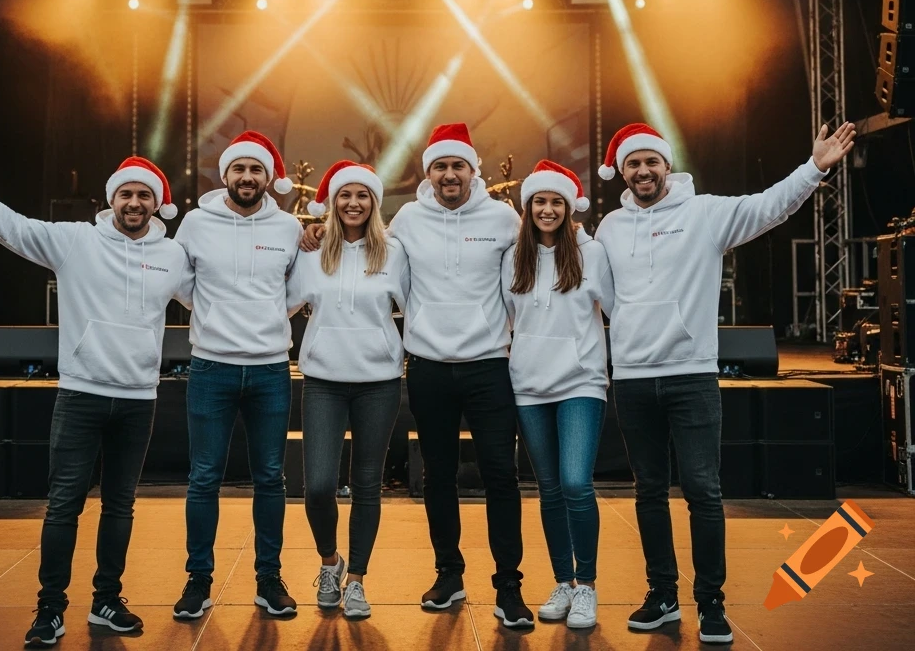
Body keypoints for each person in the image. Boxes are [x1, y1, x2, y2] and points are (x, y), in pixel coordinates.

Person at [594, 120, 856, 645]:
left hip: (691, 375)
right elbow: (602, 296)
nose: (643, 171)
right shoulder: (609, 229)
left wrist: (813, 168)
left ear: (668, 165)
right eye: (633, 164)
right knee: (648, 490)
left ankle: (710, 602)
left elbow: (768, 206)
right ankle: (662, 595)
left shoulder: (705, 214)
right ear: (621, 173)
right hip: (633, 380)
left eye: (651, 162)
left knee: (703, 491)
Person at [0, 151, 193, 648]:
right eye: (126, 194)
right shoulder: (76, 240)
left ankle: (106, 601)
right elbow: (16, 230)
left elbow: (217, 294)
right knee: (64, 507)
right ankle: (50, 609)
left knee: (120, 507)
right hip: (81, 394)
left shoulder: (174, 256)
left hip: (139, 397)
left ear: (158, 204)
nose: (135, 202)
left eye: (145, 195)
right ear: (111, 199)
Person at [305, 123, 532, 627]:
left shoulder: (501, 218)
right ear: (429, 173)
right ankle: (449, 574)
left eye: (458, 166)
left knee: (500, 475)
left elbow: (521, 282)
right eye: (440, 166)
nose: (449, 174)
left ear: (474, 170)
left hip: (489, 365)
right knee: (438, 477)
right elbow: (367, 249)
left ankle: (509, 585)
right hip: (428, 368)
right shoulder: (407, 218)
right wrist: (316, 229)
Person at [172, 130, 303, 621]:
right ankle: (198, 580)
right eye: (239, 169)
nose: (247, 177)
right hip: (211, 368)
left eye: (257, 170)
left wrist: (266, 319)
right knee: (203, 477)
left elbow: (296, 289)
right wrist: (218, 317)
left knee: (271, 477)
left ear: (270, 178)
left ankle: (269, 579)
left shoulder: (288, 228)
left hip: (270, 368)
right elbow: (183, 286)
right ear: (225, 174)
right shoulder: (195, 224)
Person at [286, 160, 409, 619]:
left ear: (374, 203)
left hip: (378, 383)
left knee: (366, 485)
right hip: (323, 382)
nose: (353, 203)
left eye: (362, 196)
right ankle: (329, 563)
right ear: (333, 202)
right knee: (318, 486)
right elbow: (282, 303)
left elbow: (418, 306)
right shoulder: (312, 254)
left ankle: (356, 578)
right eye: (345, 195)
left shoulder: (394, 253)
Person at [501, 161, 614, 629]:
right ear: (528, 209)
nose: (547, 209)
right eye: (539, 202)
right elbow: (510, 316)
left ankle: (586, 586)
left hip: (581, 382)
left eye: (556, 202)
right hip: (528, 385)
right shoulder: (513, 257)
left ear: (569, 209)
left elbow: (615, 308)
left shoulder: (592, 254)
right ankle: (563, 583)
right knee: (548, 489)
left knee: (574, 482)